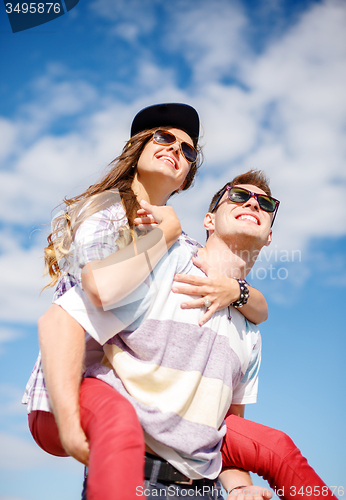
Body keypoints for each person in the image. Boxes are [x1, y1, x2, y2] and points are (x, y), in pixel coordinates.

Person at [22, 104, 268, 500]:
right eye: (164, 136)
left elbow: (241, 294)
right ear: (138, 147)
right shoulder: (106, 213)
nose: (176, 148)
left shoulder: (180, 242)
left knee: (276, 449)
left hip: (151, 425)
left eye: (188, 150)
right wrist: (166, 231)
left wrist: (244, 295)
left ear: (187, 177)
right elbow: (100, 291)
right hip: (74, 389)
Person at [48, 171, 336, 500]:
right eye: (239, 196)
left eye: (266, 203)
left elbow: (223, 433)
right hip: (134, 478)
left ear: (270, 235)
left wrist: (240, 488)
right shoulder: (166, 261)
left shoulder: (251, 333)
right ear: (209, 220)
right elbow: (66, 314)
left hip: (204, 491)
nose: (253, 203)